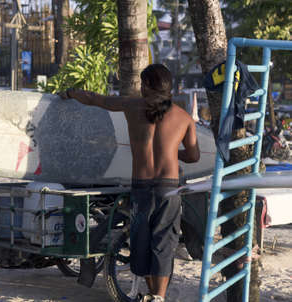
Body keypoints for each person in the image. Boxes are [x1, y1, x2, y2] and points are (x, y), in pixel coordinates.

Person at [59, 64, 200, 302]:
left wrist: (70, 93)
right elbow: (194, 156)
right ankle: (159, 297)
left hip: (142, 187)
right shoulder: (184, 117)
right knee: (163, 244)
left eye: (143, 83)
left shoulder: (132, 106)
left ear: (147, 85)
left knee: (141, 242)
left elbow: (96, 99)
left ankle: (154, 294)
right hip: (169, 187)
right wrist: (171, 153)